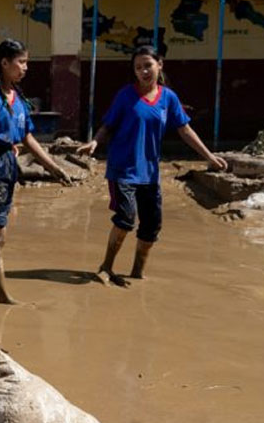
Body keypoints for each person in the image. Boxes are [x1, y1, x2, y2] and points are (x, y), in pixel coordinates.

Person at [77, 45, 227, 287]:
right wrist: (94, 141)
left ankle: (137, 273)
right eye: (138, 67)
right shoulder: (126, 95)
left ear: (160, 65)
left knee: (151, 225)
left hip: (149, 173)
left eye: (147, 65)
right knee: (126, 218)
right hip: (122, 169)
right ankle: (106, 266)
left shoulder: (168, 98)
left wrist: (208, 156)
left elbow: (185, 130)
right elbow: (108, 125)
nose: (143, 71)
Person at [0, 39, 71, 304]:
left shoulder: (18, 97)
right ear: (5, 63)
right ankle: (4, 298)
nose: (25, 68)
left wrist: (54, 168)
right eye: (21, 62)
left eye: (27, 62)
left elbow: (28, 138)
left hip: (9, 165)